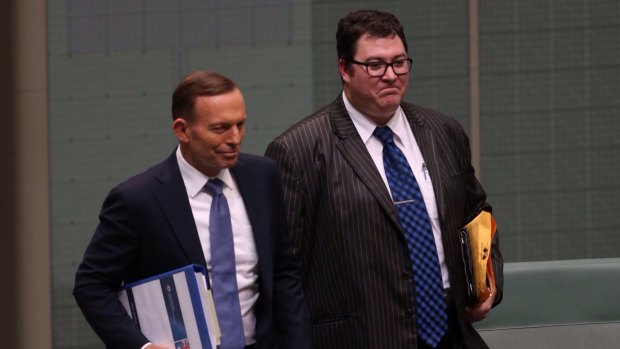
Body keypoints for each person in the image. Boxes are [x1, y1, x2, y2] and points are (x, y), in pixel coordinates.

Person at [265, 9, 503, 349]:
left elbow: (477, 213)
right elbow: (283, 271)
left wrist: (488, 283)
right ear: (344, 69)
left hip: (452, 334)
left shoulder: (442, 131)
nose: (390, 75)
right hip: (358, 339)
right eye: (375, 65)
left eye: (399, 62)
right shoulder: (299, 150)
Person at [74, 71, 311, 349]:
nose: (235, 138)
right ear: (182, 130)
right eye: (220, 128)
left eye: (240, 124)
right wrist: (143, 347)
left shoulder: (262, 177)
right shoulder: (138, 200)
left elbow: (283, 271)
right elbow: (91, 285)